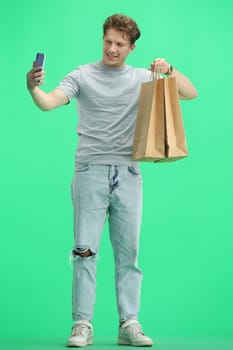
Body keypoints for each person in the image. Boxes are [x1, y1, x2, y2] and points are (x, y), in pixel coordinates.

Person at [27, 13, 197, 348]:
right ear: (102, 39)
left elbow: (190, 93)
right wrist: (34, 87)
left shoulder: (141, 78)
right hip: (89, 172)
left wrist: (169, 70)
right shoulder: (82, 75)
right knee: (84, 252)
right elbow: (49, 103)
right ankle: (81, 324)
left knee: (128, 254)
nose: (112, 49)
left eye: (120, 44)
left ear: (132, 47)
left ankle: (129, 324)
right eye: (108, 41)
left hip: (129, 174)